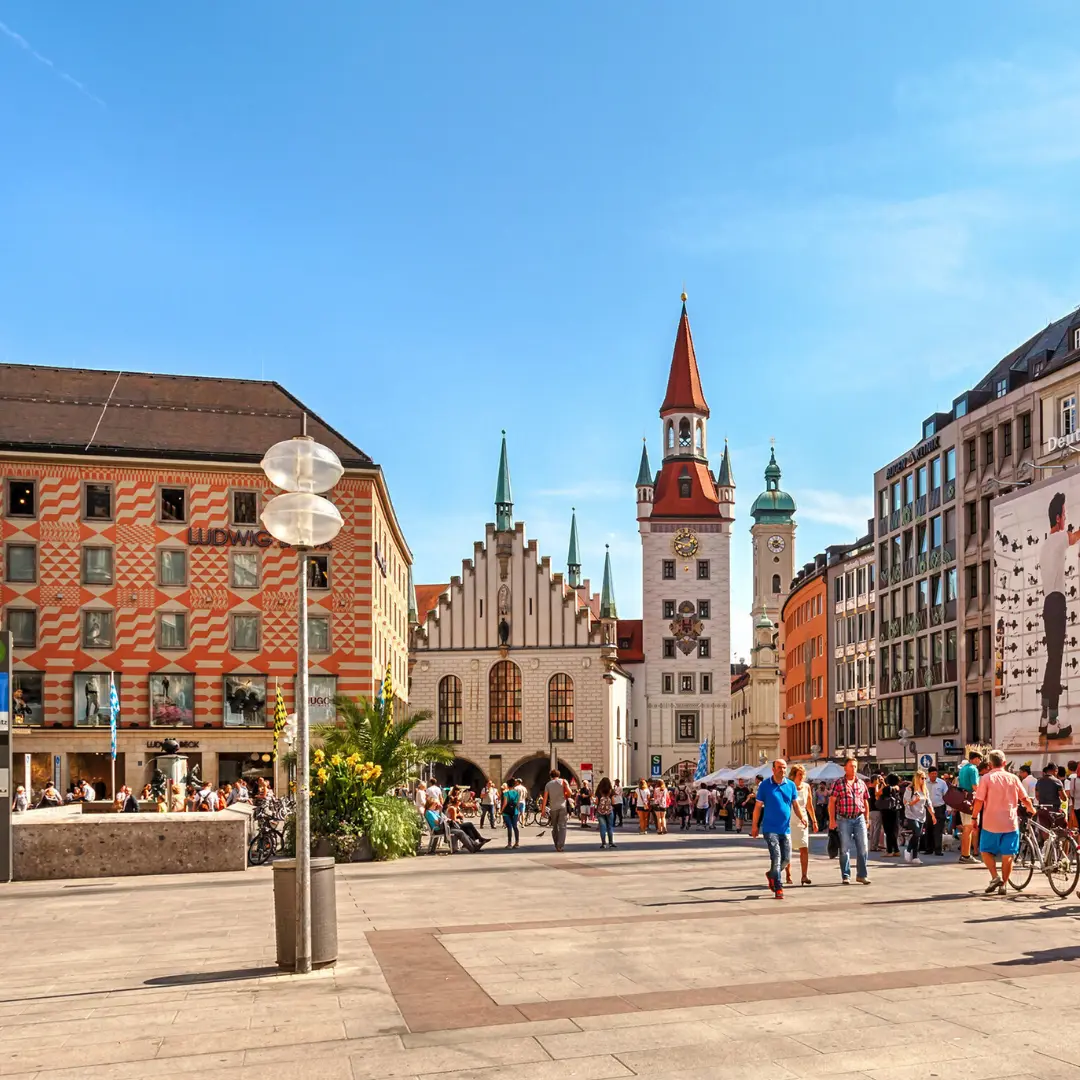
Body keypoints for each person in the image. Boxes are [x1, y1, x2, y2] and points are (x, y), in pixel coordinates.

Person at [1039, 492, 1079, 740]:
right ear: (1058, 517)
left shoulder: (1045, 545)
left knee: (1052, 659)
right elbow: (1074, 538)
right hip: (1056, 603)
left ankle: (1045, 716)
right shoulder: (1057, 538)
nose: (1066, 518)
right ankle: (1053, 720)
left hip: (1048, 604)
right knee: (1056, 660)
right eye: (1064, 514)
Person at [972, 749, 1035, 895]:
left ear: (989, 764)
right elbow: (1024, 798)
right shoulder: (1013, 778)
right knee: (1008, 856)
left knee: (985, 851)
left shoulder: (986, 779)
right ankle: (1004, 885)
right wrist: (1031, 809)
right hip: (1010, 823)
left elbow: (979, 801)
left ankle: (995, 877)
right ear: (1004, 763)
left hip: (990, 823)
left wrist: (975, 817)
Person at [751, 759, 804, 900]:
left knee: (786, 859)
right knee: (777, 857)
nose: (782, 770)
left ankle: (771, 874)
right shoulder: (765, 786)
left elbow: (795, 805)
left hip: (785, 829)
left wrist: (802, 817)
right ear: (773, 770)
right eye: (779, 767)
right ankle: (778, 887)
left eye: (784, 767)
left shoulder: (791, 785)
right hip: (770, 829)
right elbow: (757, 807)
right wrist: (755, 825)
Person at [828, 757, 872, 885]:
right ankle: (846, 875)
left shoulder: (861, 783)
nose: (853, 768)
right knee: (844, 848)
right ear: (845, 768)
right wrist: (832, 820)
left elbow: (865, 801)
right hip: (844, 819)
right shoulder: (839, 783)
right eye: (851, 766)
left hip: (859, 818)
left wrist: (867, 818)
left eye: (855, 766)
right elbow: (832, 802)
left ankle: (862, 875)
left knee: (863, 847)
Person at [785, 763, 817, 886]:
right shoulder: (787, 786)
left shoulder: (806, 787)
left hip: (803, 820)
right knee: (788, 849)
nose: (802, 777)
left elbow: (809, 805)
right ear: (793, 775)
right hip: (789, 820)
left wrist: (814, 820)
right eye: (799, 774)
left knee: (804, 848)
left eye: (803, 774)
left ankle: (804, 875)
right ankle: (788, 874)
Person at [902, 770, 936, 866]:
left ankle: (915, 857)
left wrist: (933, 815)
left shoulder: (925, 790)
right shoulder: (910, 789)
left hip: (921, 815)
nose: (924, 780)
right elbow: (905, 802)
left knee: (918, 835)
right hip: (911, 815)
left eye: (925, 778)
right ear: (917, 778)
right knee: (917, 831)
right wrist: (915, 801)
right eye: (922, 778)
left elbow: (928, 803)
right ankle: (909, 850)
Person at [958, 750, 982, 863]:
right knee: (969, 828)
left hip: (962, 800)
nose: (980, 761)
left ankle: (964, 854)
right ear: (975, 758)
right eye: (979, 758)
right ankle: (966, 856)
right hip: (970, 800)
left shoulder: (963, 769)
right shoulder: (973, 769)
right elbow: (975, 786)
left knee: (966, 828)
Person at [540, 769, 572, 852]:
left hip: (553, 808)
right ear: (559, 774)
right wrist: (565, 786)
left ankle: (556, 844)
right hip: (562, 807)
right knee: (562, 826)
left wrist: (543, 810)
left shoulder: (548, 784)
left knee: (554, 827)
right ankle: (560, 845)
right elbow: (570, 793)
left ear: (551, 776)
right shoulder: (563, 781)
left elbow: (545, 798)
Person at [875, 773, 902, 858]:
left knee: (888, 831)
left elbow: (877, 794)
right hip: (895, 810)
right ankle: (896, 850)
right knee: (894, 830)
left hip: (886, 811)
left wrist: (877, 784)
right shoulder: (897, 788)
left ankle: (890, 850)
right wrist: (883, 784)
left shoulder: (886, 788)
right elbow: (889, 789)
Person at [925, 766, 949, 856]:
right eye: (932, 774)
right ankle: (928, 849)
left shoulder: (942, 783)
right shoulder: (924, 783)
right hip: (928, 808)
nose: (934, 775)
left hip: (939, 808)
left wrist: (949, 808)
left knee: (938, 830)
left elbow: (946, 796)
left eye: (935, 773)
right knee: (928, 828)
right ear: (929, 774)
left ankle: (938, 850)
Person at [595, 777, 616, 850]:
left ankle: (603, 843)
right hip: (609, 811)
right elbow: (613, 802)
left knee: (602, 828)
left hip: (600, 812)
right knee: (610, 827)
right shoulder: (611, 791)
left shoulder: (598, 791)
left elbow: (597, 802)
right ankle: (611, 843)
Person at [501, 780, 522, 849]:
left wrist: (501, 811)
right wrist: (519, 811)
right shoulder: (517, 793)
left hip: (506, 812)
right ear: (514, 785)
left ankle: (509, 844)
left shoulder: (506, 793)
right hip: (515, 811)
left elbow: (505, 803)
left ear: (507, 785)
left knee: (509, 827)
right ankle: (517, 843)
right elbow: (518, 803)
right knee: (515, 826)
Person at [867, 774, 884, 853]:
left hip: (871, 811)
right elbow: (877, 794)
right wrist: (880, 785)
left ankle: (872, 846)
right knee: (877, 829)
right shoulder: (873, 788)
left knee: (872, 829)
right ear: (875, 780)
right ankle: (874, 846)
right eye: (878, 779)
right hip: (876, 810)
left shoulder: (869, 789)